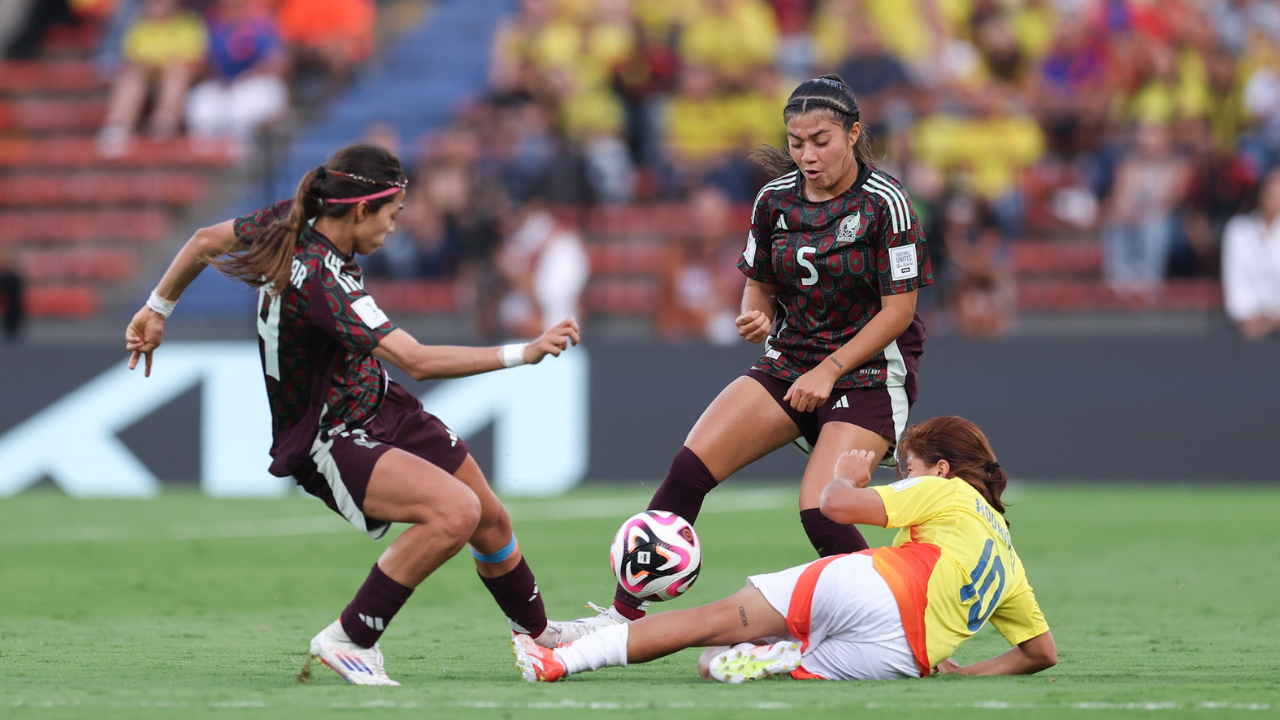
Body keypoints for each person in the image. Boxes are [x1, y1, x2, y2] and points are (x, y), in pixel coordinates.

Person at [123, 143, 587, 686]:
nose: (395, 228)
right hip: (330, 435)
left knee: (489, 517)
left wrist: (157, 308)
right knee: (455, 514)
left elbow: (205, 241)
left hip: (378, 400)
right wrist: (523, 352)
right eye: (392, 215)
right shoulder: (322, 279)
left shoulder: (293, 219)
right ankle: (350, 639)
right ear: (362, 209)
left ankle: (537, 637)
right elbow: (418, 359)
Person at [566, 74, 933, 630]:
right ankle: (620, 617)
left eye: (821, 140)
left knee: (824, 505)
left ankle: (890, 624)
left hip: (866, 375)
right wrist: (756, 309)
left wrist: (831, 370)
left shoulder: (887, 203)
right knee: (689, 470)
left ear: (854, 134)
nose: (807, 154)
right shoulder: (773, 200)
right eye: (796, 142)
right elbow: (758, 279)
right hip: (788, 362)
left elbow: (898, 311)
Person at [514, 416, 1056, 684]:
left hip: (874, 585)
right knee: (712, 665)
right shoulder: (1009, 559)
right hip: (902, 657)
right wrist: (969, 674)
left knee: (709, 622)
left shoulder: (945, 487)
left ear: (939, 467)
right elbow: (1041, 653)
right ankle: (787, 655)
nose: (904, 476)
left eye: (907, 467)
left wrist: (849, 475)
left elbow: (836, 508)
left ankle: (557, 662)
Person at [1222, 168, 1280, 340]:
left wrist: (1273, 321)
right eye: (1272, 192)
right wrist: (1247, 315)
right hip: (1247, 329)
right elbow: (1235, 278)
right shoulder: (1238, 230)